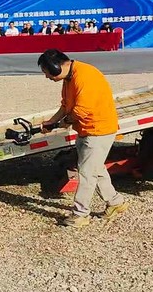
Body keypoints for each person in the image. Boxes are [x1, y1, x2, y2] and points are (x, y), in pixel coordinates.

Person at [37, 49, 130, 228]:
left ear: (56, 67)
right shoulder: (69, 78)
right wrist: (51, 122)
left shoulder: (85, 76)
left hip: (98, 131)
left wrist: (65, 122)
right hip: (86, 130)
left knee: (87, 173)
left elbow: (82, 110)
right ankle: (116, 202)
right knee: (95, 169)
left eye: (46, 72)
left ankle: (80, 215)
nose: (47, 77)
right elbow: (66, 106)